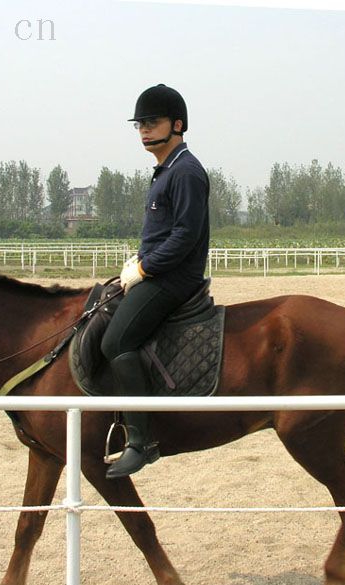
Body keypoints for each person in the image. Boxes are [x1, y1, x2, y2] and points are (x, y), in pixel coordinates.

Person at [101, 83, 211, 479]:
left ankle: (140, 443)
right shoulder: (166, 169)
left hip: (174, 278)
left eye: (153, 122)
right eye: (140, 124)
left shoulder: (185, 171)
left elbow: (184, 234)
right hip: (158, 269)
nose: (144, 130)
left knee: (116, 340)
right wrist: (139, 258)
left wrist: (145, 270)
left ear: (177, 124)